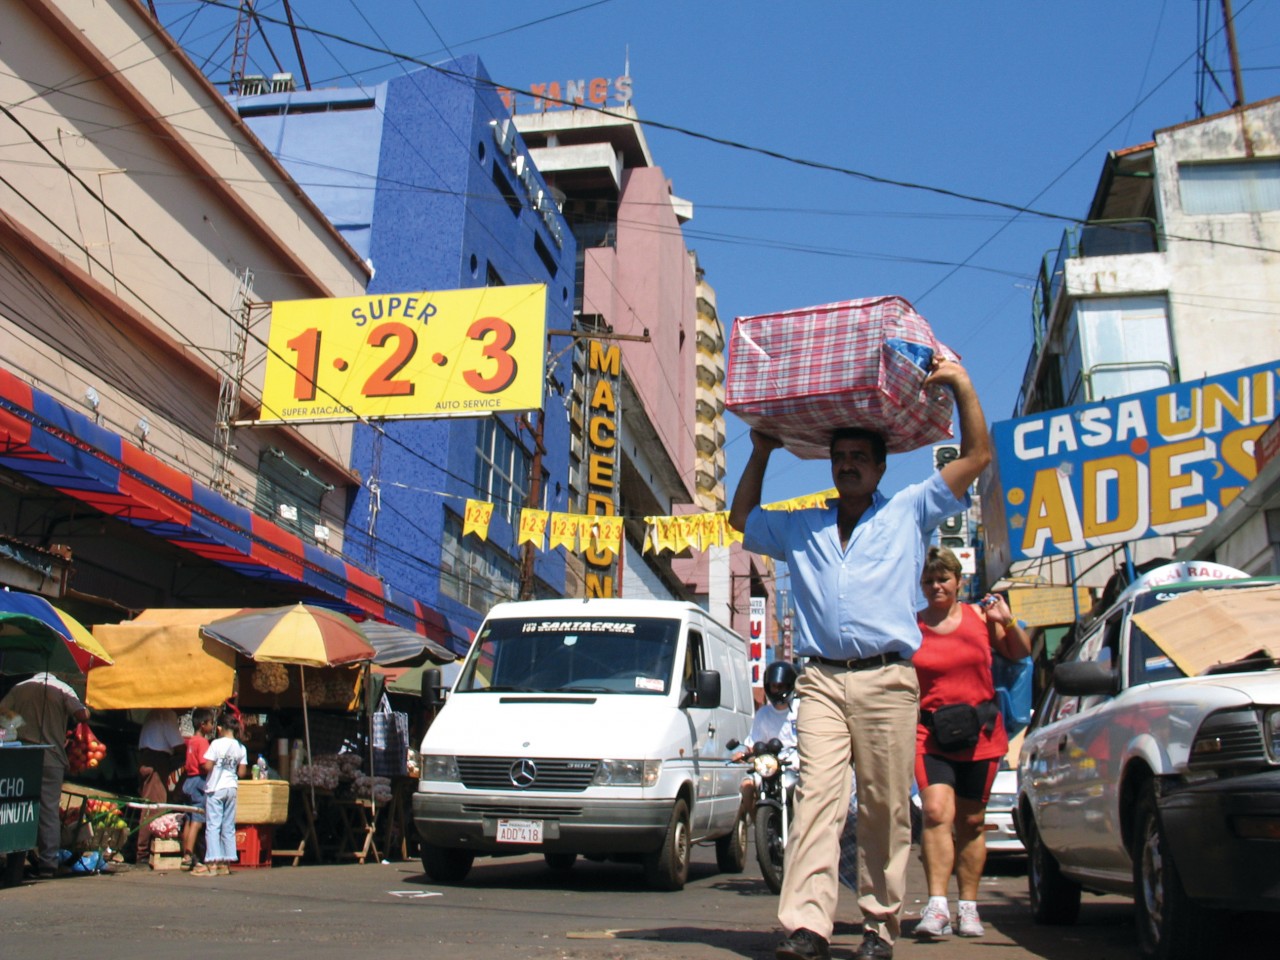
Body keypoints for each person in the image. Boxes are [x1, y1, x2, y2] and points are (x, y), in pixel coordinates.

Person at [729, 356, 990, 960]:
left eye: (858, 459)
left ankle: (879, 924)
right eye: (839, 458)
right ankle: (807, 927)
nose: (847, 466)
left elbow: (976, 459)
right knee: (816, 798)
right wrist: (762, 452)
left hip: (889, 681)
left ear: (878, 469)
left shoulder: (910, 511)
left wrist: (962, 384)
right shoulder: (804, 527)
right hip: (820, 682)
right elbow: (742, 519)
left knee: (883, 808)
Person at [912, 547, 1031, 940]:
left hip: (979, 734)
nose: (936, 586)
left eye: (943, 579)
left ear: (958, 582)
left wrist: (1007, 620)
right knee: (934, 811)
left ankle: (968, 907)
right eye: (929, 580)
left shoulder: (981, 617)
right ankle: (936, 905)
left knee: (972, 821)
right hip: (929, 734)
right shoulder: (912, 627)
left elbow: (1019, 652)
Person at [0, 672, 89, 878]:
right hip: (52, 757)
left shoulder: (20, 687)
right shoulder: (62, 689)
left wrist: (19, 721)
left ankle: (11, 858)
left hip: (22, 758)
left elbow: (2, 712)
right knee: (48, 811)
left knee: (18, 806)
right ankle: (48, 864)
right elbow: (82, 715)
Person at [731, 660, 799, 814]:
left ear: (789, 686)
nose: (777, 690)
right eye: (774, 686)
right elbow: (753, 743)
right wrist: (742, 754)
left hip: (796, 766)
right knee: (747, 788)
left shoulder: (800, 709)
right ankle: (760, 831)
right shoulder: (763, 713)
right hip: (771, 766)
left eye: (781, 686)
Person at [192, 712, 246, 876]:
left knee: (213, 826)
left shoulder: (215, 744)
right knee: (228, 826)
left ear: (220, 728)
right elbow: (242, 772)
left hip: (216, 788)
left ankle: (213, 862)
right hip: (231, 787)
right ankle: (226, 862)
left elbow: (207, 766)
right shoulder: (240, 747)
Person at [134, 707, 185, 866]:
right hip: (156, 760)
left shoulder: (154, 713)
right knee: (154, 807)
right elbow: (177, 743)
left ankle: (144, 848)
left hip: (148, 758)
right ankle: (142, 851)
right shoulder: (167, 714)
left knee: (150, 805)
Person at [179, 707, 216, 871]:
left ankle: (185, 854)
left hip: (188, 781)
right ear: (203, 725)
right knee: (197, 821)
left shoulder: (191, 741)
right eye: (210, 723)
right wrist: (215, 761)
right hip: (199, 781)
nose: (212, 726)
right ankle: (188, 855)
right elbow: (205, 764)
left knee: (188, 819)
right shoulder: (202, 742)